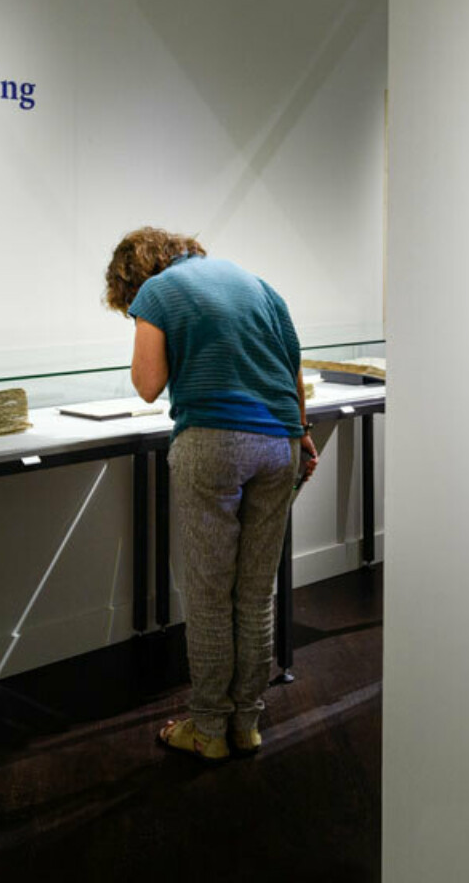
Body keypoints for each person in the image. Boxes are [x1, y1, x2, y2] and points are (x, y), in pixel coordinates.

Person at [103, 226, 317, 763]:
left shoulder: (157, 291)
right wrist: (302, 435)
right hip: (279, 445)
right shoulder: (258, 285)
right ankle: (246, 724)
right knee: (255, 593)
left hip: (213, 444)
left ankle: (207, 729)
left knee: (209, 594)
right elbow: (292, 370)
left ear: (132, 276)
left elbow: (147, 385)